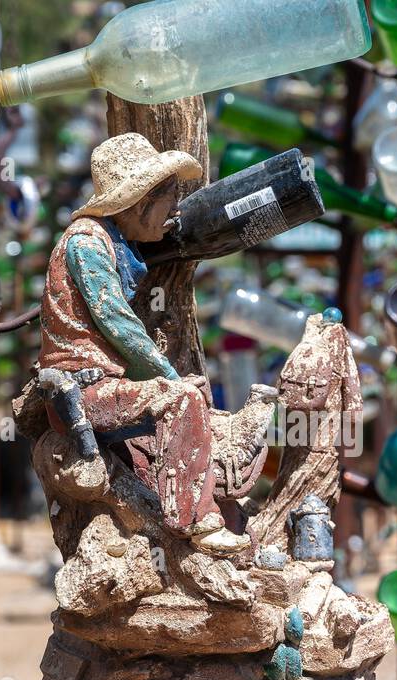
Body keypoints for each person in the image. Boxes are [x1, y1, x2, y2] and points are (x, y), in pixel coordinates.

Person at [39, 133, 248, 555]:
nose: (173, 209)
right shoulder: (87, 242)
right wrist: (169, 379)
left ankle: (198, 497)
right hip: (82, 391)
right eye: (166, 197)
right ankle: (195, 523)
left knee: (194, 394)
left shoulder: (113, 245)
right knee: (181, 400)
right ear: (138, 201)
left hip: (101, 384)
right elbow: (119, 325)